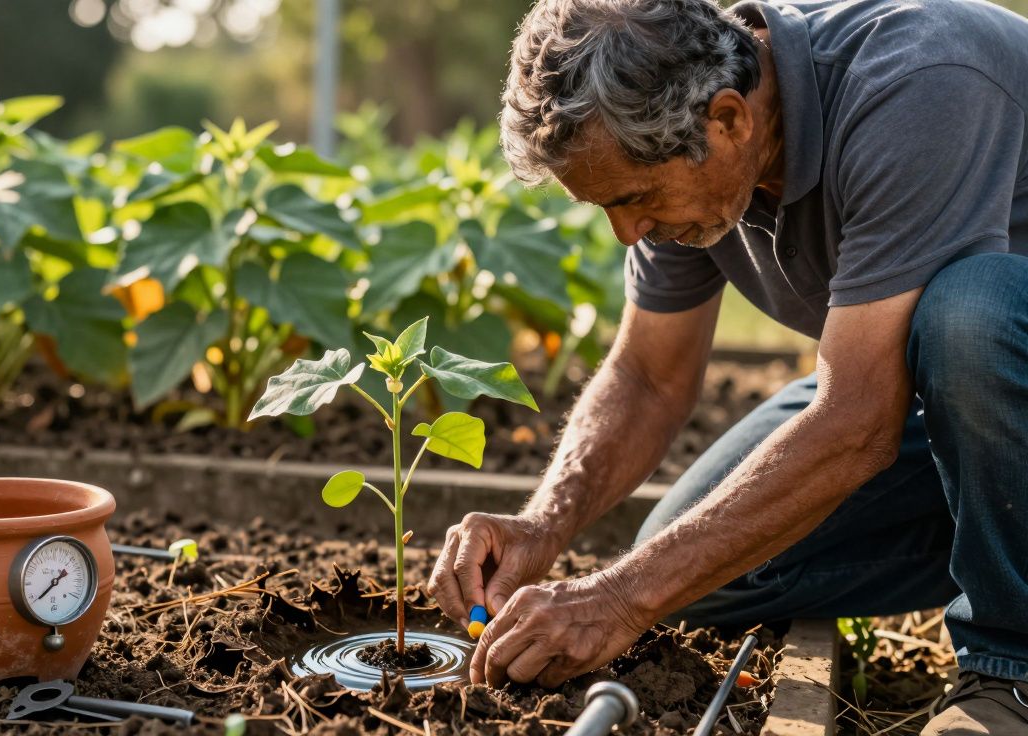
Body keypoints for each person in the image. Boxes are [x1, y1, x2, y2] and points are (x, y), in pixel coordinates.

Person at [425, 0, 1028, 732]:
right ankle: (999, 545)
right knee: (693, 564)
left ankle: (1009, 668)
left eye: (636, 199)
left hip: (988, 359)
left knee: (969, 311)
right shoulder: (674, 140)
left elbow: (859, 421)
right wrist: (545, 525)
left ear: (730, 120)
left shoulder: (919, 82)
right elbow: (648, 377)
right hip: (962, 408)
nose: (628, 234)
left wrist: (619, 600)